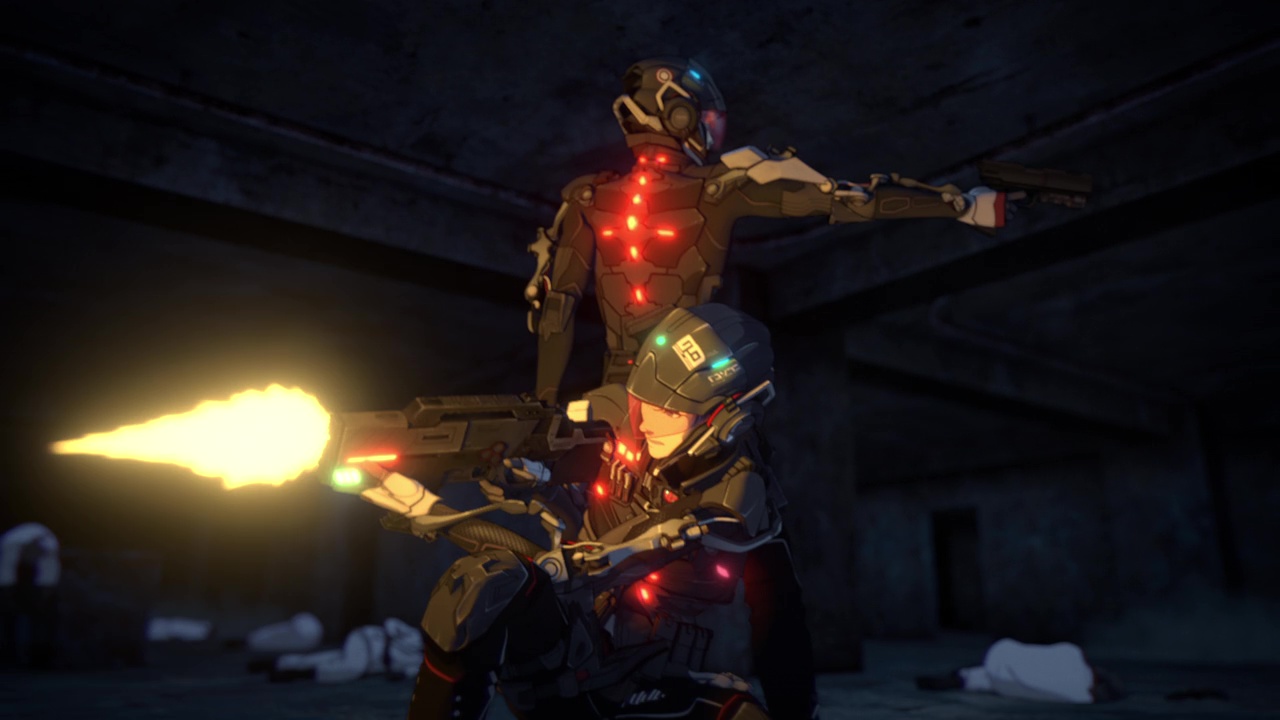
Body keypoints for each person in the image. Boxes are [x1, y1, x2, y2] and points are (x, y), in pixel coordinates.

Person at [362, 304, 816, 719]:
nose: (645, 422)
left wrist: (796, 713)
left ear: (726, 419)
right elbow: (555, 443)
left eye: (669, 412)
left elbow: (781, 627)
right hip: (564, 651)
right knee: (479, 583)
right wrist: (528, 472)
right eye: (643, 401)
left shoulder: (739, 490)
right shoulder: (617, 415)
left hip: (648, 683)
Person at [526, 57, 1021, 406]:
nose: (707, 129)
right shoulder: (718, 189)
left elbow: (558, 307)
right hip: (691, 383)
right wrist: (959, 206)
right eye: (699, 116)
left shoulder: (590, 197)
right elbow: (851, 201)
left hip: (622, 384)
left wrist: (544, 404)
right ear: (677, 114)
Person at [915, 637, 1125, 703]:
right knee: (994, 676)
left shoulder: (1074, 659)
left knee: (993, 675)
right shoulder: (1080, 687)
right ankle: (961, 679)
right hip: (1006, 676)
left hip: (1007, 669)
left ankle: (960, 678)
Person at [256, 617, 425, 683]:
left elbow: (411, 672)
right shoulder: (414, 635)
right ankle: (301, 674)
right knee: (352, 668)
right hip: (366, 641)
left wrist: (400, 675)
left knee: (332, 658)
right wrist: (389, 643)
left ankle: (280, 663)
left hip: (368, 661)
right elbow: (391, 623)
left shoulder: (421, 662)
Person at [0, 522, 60, 668]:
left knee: (39, 622)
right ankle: (12, 656)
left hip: (32, 592)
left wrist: (43, 597)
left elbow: (48, 581)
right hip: (17, 590)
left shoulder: (45, 555)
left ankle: (38, 657)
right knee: (12, 622)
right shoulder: (11, 552)